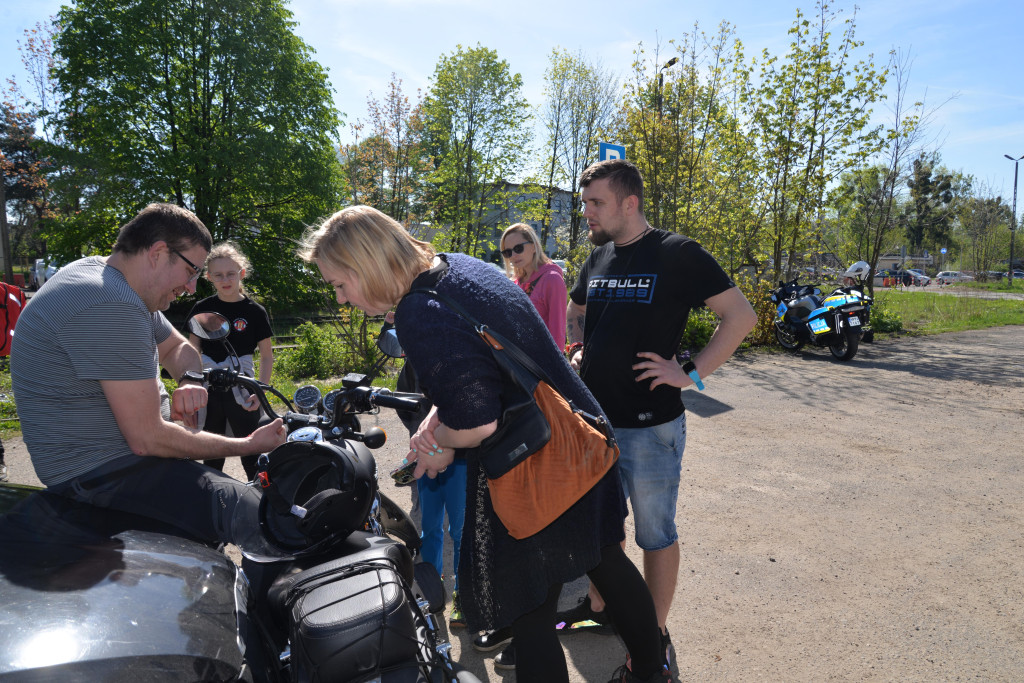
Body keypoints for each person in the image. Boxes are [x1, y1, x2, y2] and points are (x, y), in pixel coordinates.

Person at [299, 205, 669, 683]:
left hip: (537, 466)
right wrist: (437, 417)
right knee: (605, 560)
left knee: (530, 608)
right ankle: (653, 672)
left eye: (339, 284)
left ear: (364, 265)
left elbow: (477, 423)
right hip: (580, 441)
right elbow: (480, 367)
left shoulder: (418, 311)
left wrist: (440, 445)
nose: (342, 298)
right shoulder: (455, 266)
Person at [564, 159, 757, 672]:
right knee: (601, 531)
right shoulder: (600, 256)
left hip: (651, 428)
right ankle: (601, 608)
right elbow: (575, 306)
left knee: (654, 533)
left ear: (630, 203)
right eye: (585, 203)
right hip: (596, 425)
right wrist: (578, 344)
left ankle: (653, 636)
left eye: (595, 203)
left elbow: (741, 316)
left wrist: (690, 372)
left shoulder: (678, 254)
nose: (587, 213)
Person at [10, 203, 286, 551]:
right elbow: (148, 439)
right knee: (256, 514)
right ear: (157, 252)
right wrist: (248, 445)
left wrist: (190, 380)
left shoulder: (104, 275)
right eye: (191, 271)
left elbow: (177, 349)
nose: (190, 288)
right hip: (99, 475)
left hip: (107, 464)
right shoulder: (110, 302)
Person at [187, 242, 274, 481]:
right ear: (209, 277)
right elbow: (192, 348)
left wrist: (261, 390)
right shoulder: (202, 308)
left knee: (251, 448)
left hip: (243, 385)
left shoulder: (255, 311)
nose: (225, 279)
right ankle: (212, 499)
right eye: (218, 275)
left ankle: (261, 498)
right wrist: (192, 383)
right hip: (209, 384)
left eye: (231, 274)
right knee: (212, 448)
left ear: (241, 274)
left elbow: (266, 355)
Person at [500, 223, 567, 349]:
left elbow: (558, 331)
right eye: (508, 252)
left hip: (542, 363)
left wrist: (553, 367)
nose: (513, 255)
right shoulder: (514, 282)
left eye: (518, 248)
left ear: (534, 246)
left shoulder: (551, 279)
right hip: (516, 361)